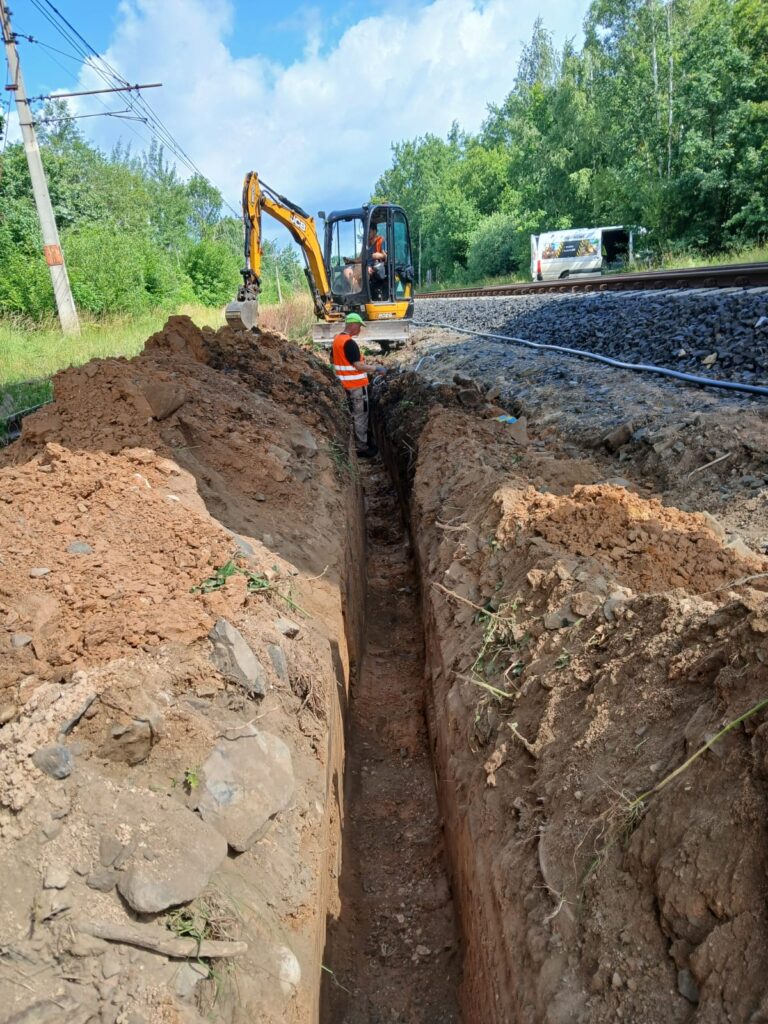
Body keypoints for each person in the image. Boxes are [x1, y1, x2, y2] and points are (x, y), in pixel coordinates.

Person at [331, 312, 386, 457]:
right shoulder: (349, 343)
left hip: (344, 385)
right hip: (356, 387)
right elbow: (358, 365)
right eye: (359, 326)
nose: (360, 330)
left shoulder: (337, 340)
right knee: (360, 416)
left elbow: (334, 361)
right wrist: (377, 369)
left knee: (353, 415)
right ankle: (362, 448)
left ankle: (361, 442)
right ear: (353, 325)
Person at [343, 225, 387, 295]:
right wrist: (350, 260)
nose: (367, 234)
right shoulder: (366, 244)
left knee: (363, 273)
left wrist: (380, 255)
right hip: (362, 266)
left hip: (373, 268)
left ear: (375, 231)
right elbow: (360, 259)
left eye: (369, 232)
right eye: (366, 232)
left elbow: (387, 257)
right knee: (346, 271)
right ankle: (358, 292)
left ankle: (358, 293)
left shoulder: (381, 241)